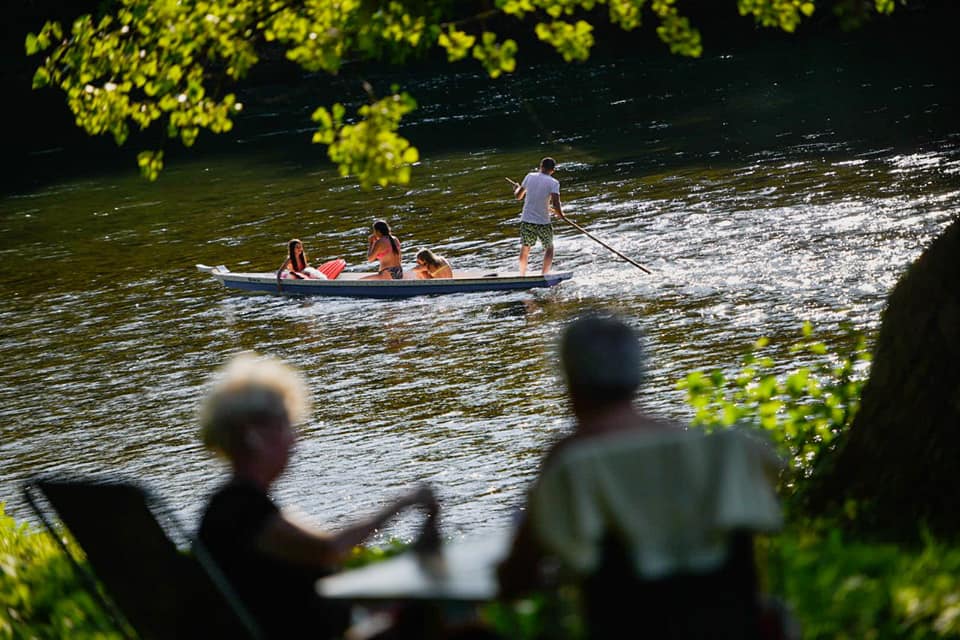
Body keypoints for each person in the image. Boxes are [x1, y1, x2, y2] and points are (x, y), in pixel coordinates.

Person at [496, 312, 785, 639]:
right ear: (637, 375)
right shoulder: (709, 450)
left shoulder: (573, 462)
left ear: (571, 380)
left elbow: (516, 579)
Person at [196, 353, 440, 639]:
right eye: (286, 425)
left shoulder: (237, 505)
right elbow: (329, 549)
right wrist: (404, 502)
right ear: (254, 436)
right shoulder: (240, 509)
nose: (294, 441)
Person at [512, 157, 565, 276]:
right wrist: (561, 215)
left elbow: (518, 196)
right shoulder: (554, 183)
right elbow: (556, 204)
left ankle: (522, 275)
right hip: (543, 222)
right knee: (549, 248)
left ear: (540, 167)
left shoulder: (529, 176)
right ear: (553, 170)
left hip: (527, 220)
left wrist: (516, 189)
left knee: (525, 248)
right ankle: (544, 274)